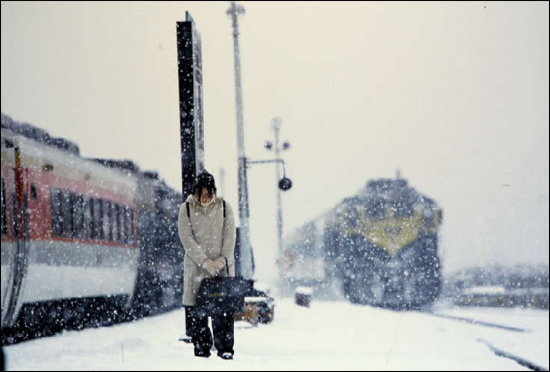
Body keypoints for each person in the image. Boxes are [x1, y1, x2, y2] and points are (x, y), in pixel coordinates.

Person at [178, 171, 236, 360]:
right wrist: (204, 261)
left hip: (222, 268)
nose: (205, 197)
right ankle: (202, 347)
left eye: (209, 193)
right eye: (202, 193)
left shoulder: (225, 208)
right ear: (195, 192)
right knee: (197, 310)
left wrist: (221, 261)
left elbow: (230, 238)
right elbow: (186, 239)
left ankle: (225, 347)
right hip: (196, 269)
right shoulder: (186, 209)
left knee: (223, 310)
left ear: (214, 191)